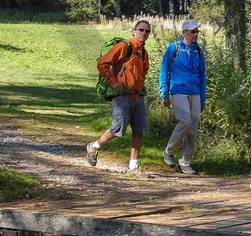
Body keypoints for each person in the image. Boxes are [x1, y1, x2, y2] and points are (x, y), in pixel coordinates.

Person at [88, 18, 150, 171]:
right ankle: (94, 146)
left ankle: (133, 167)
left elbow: (144, 72)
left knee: (139, 131)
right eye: (141, 30)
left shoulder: (144, 52)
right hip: (122, 96)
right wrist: (114, 83)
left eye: (147, 31)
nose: (144, 33)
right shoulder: (124, 46)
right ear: (134, 31)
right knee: (118, 128)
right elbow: (102, 64)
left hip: (138, 97)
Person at [158, 18, 207, 175]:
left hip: (195, 92)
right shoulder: (174, 48)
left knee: (193, 129)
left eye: (197, 31)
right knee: (185, 121)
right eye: (193, 31)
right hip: (178, 89)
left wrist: (203, 99)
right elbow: (164, 70)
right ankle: (169, 150)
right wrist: (164, 93)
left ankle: (185, 162)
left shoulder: (198, 51)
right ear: (184, 32)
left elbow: (202, 75)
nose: (195, 34)